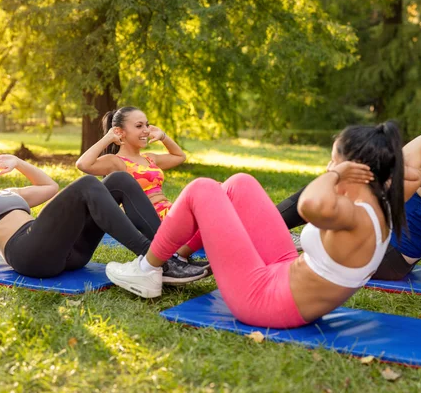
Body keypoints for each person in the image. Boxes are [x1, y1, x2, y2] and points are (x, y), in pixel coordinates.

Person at [105, 123, 405, 330]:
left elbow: (309, 205)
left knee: (201, 189)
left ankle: (146, 270)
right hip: (286, 273)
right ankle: (176, 258)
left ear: (356, 171)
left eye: (333, 161)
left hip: (267, 301)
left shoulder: (352, 213)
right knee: (239, 183)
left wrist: (334, 174)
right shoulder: (381, 202)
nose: (329, 168)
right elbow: (410, 169)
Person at [277, 88, 421, 281]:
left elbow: (399, 162)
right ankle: (295, 230)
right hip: (392, 257)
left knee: (333, 184)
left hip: (388, 259)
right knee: (349, 182)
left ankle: (281, 227)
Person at [0, 131, 170, 279]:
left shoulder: (10, 192)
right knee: (87, 185)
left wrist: (19, 162)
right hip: (30, 255)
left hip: (69, 254)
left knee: (119, 179)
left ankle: (168, 254)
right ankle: (157, 258)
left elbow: (50, 187)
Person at [76, 106, 208, 283]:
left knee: (210, 211)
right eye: (139, 126)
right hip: (151, 219)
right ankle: (177, 255)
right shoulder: (116, 162)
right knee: (205, 220)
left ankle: (181, 257)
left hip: (169, 211)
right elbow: (83, 164)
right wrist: (108, 138)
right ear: (120, 132)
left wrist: (163, 137)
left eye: (147, 125)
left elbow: (179, 156)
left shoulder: (149, 158)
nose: (146, 130)